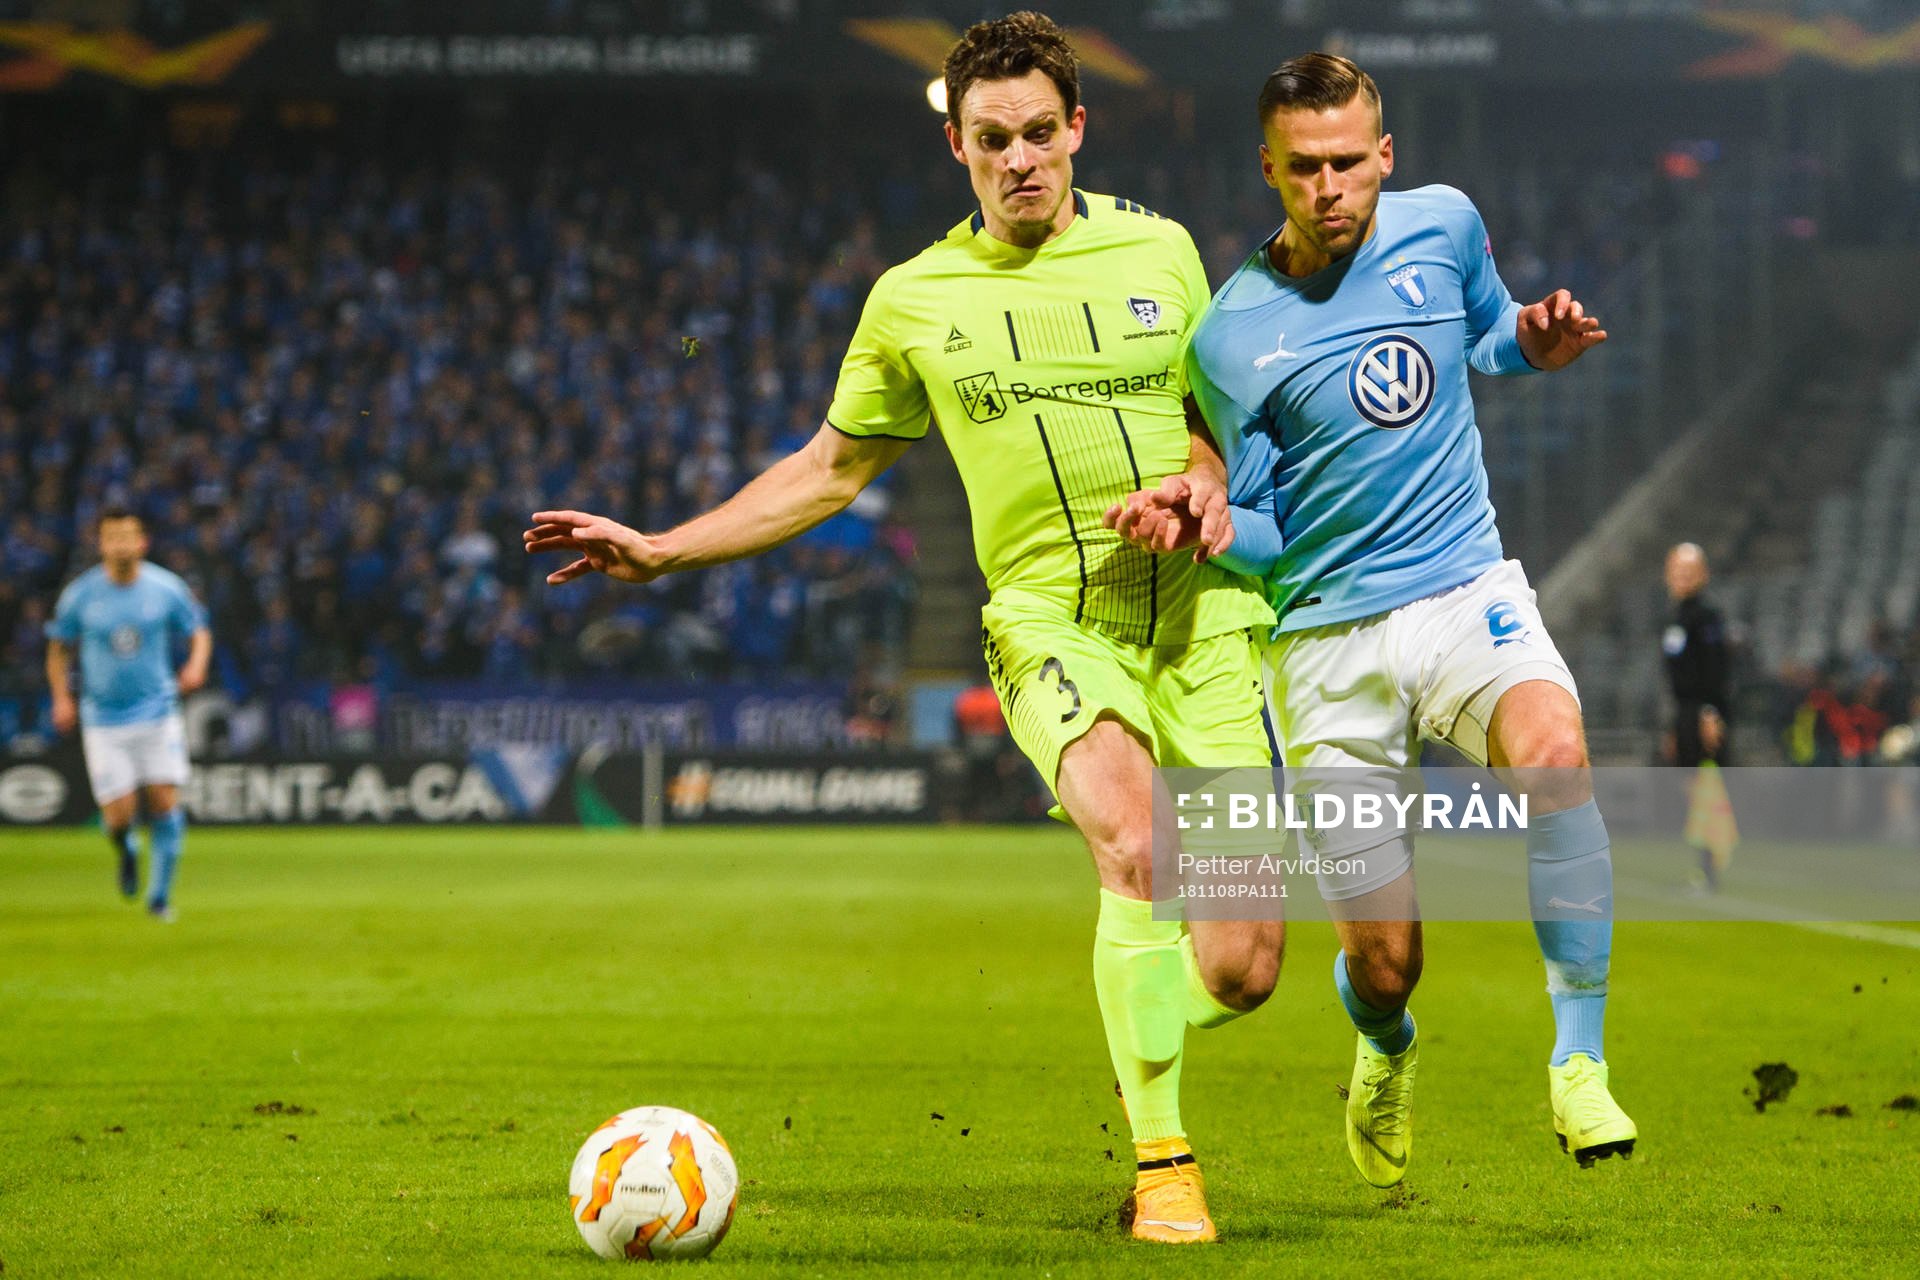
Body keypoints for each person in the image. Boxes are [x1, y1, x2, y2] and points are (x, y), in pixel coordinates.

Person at [526, 11, 1280, 1244]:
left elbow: (1213, 424)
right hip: (1053, 619)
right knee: (1136, 844)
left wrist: (1203, 482)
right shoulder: (915, 300)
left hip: (1205, 625)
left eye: (1042, 132)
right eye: (995, 139)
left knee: (1245, 965)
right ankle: (1164, 1164)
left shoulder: (1167, 252)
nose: (1022, 158)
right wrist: (666, 546)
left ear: (1079, 127)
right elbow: (827, 472)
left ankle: (1144, 1007)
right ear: (960, 147)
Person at [1106, 52, 1634, 1182]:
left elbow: (1488, 334)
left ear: (1385, 155)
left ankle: (1579, 1064)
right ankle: (1384, 1048)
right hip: (1325, 645)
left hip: (1461, 589)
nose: (1331, 187)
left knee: (1554, 753)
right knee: (1389, 963)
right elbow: (1263, 525)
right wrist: (1209, 530)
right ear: (1269, 171)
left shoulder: (1444, 225)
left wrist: (1530, 347)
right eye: (1305, 168)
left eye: (1351, 162)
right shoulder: (1232, 336)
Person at [45, 507, 211, 922]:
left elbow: (199, 629)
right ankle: (127, 848)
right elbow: (58, 649)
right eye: (111, 538)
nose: (120, 545)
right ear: (101, 544)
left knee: (164, 800)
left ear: (142, 542)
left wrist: (195, 665)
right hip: (103, 719)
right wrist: (61, 698)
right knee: (118, 816)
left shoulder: (165, 587)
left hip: (157, 712)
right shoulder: (80, 595)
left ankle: (159, 898)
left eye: (127, 537)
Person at [1662, 542, 1735, 887]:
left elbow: (1715, 671)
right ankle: (1704, 863)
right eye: (1677, 570)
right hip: (1685, 713)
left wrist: (1709, 713)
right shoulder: (1674, 619)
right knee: (1692, 790)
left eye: (1689, 571)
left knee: (1707, 790)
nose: (1682, 577)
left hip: (1704, 713)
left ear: (1703, 576)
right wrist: (1675, 726)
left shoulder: (1707, 618)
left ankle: (1711, 867)